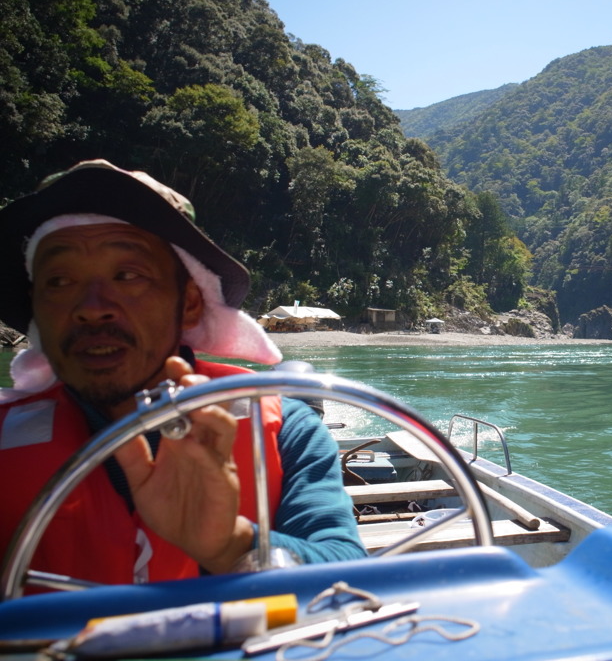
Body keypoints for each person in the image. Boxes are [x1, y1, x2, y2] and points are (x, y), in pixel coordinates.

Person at [0, 159, 365, 587]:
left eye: (128, 274)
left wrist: (230, 544)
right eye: (59, 281)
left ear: (191, 301)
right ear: (36, 310)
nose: (91, 306)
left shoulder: (288, 430)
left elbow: (348, 571)